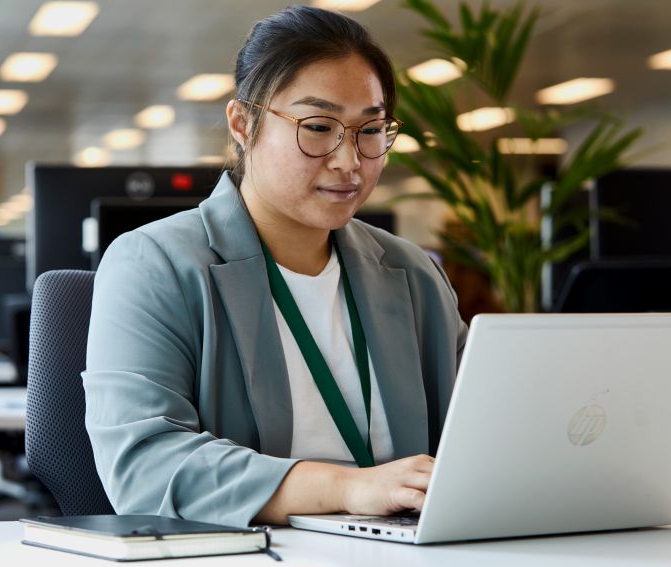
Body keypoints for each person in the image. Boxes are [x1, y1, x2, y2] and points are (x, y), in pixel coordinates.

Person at [82, 5, 467, 528]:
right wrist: (348, 487)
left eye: (370, 130)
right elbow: (144, 466)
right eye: (318, 126)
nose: (349, 160)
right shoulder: (154, 265)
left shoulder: (414, 274)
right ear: (243, 124)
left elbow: (482, 435)